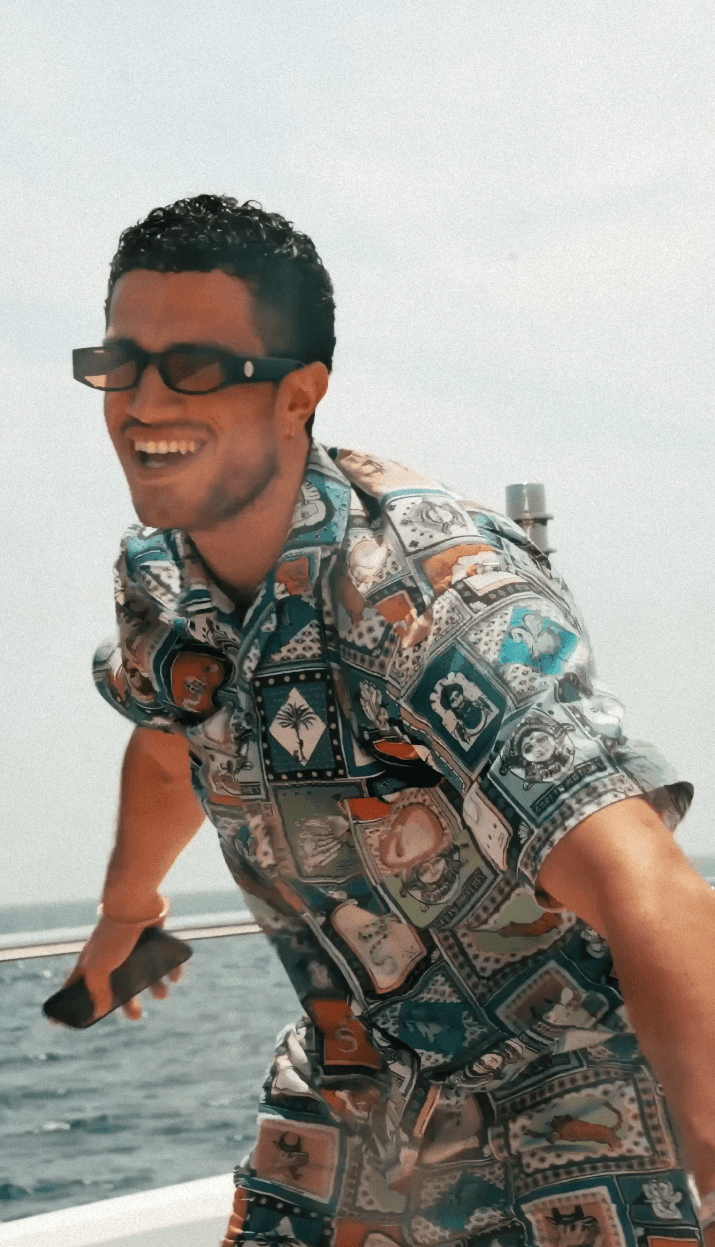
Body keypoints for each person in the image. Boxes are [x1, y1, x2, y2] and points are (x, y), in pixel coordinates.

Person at [66, 194, 715, 1247]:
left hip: (567, 1117)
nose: (141, 403)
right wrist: (127, 908)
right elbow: (171, 737)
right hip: (354, 1098)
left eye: (190, 366)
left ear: (297, 394)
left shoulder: (432, 605)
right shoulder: (160, 577)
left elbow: (648, 883)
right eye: (120, 362)